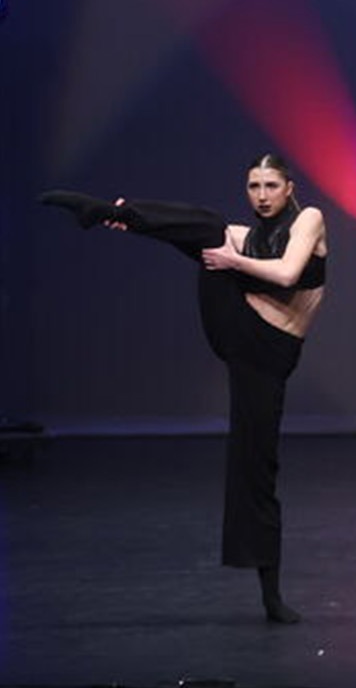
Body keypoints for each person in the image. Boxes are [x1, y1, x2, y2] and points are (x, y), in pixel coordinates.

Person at [40, 155, 327, 623]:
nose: (261, 194)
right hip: (237, 328)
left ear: (290, 187)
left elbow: (288, 274)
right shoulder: (247, 236)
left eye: (271, 184)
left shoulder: (309, 219)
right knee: (208, 229)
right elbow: (208, 240)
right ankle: (109, 212)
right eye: (253, 185)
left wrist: (232, 261)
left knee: (255, 465)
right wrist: (135, 224)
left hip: (269, 355)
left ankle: (270, 595)